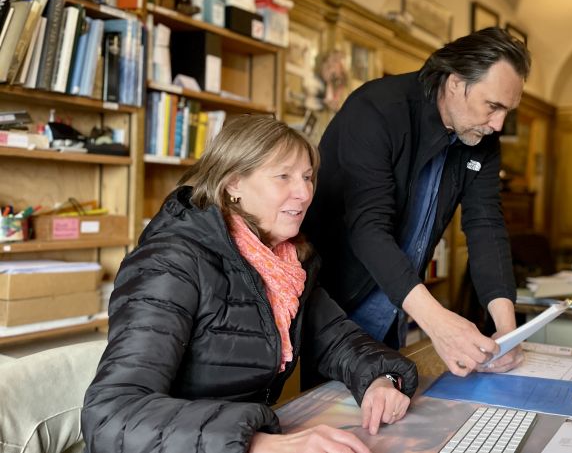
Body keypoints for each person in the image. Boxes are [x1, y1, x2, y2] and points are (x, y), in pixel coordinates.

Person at [82, 115, 417, 453]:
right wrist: (257, 443)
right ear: (233, 184)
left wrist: (380, 380)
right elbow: (112, 418)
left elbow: (339, 341)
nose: (303, 193)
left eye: (307, 177)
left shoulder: (285, 263)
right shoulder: (170, 261)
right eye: (283, 176)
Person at [303, 27, 531, 377]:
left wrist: (507, 329)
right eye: (493, 106)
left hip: (398, 302)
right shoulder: (376, 110)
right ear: (455, 82)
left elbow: (486, 225)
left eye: (507, 111)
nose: (498, 124)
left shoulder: (481, 138)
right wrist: (439, 324)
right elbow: (368, 228)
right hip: (336, 306)